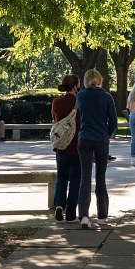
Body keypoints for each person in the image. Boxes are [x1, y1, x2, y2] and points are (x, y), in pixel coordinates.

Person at [73, 69, 116, 229]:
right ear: (100, 79)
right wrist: (106, 134)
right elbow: (113, 122)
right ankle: (102, 215)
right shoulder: (106, 97)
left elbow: (77, 117)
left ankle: (84, 215)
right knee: (100, 176)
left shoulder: (80, 96)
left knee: (85, 176)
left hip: (84, 138)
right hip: (101, 140)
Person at [50, 75, 79, 223]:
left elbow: (55, 119)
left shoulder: (56, 102)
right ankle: (71, 213)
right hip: (77, 146)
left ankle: (59, 206)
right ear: (74, 86)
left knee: (61, 177)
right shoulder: (79, 102)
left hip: (62, 146)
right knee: (75, 179)